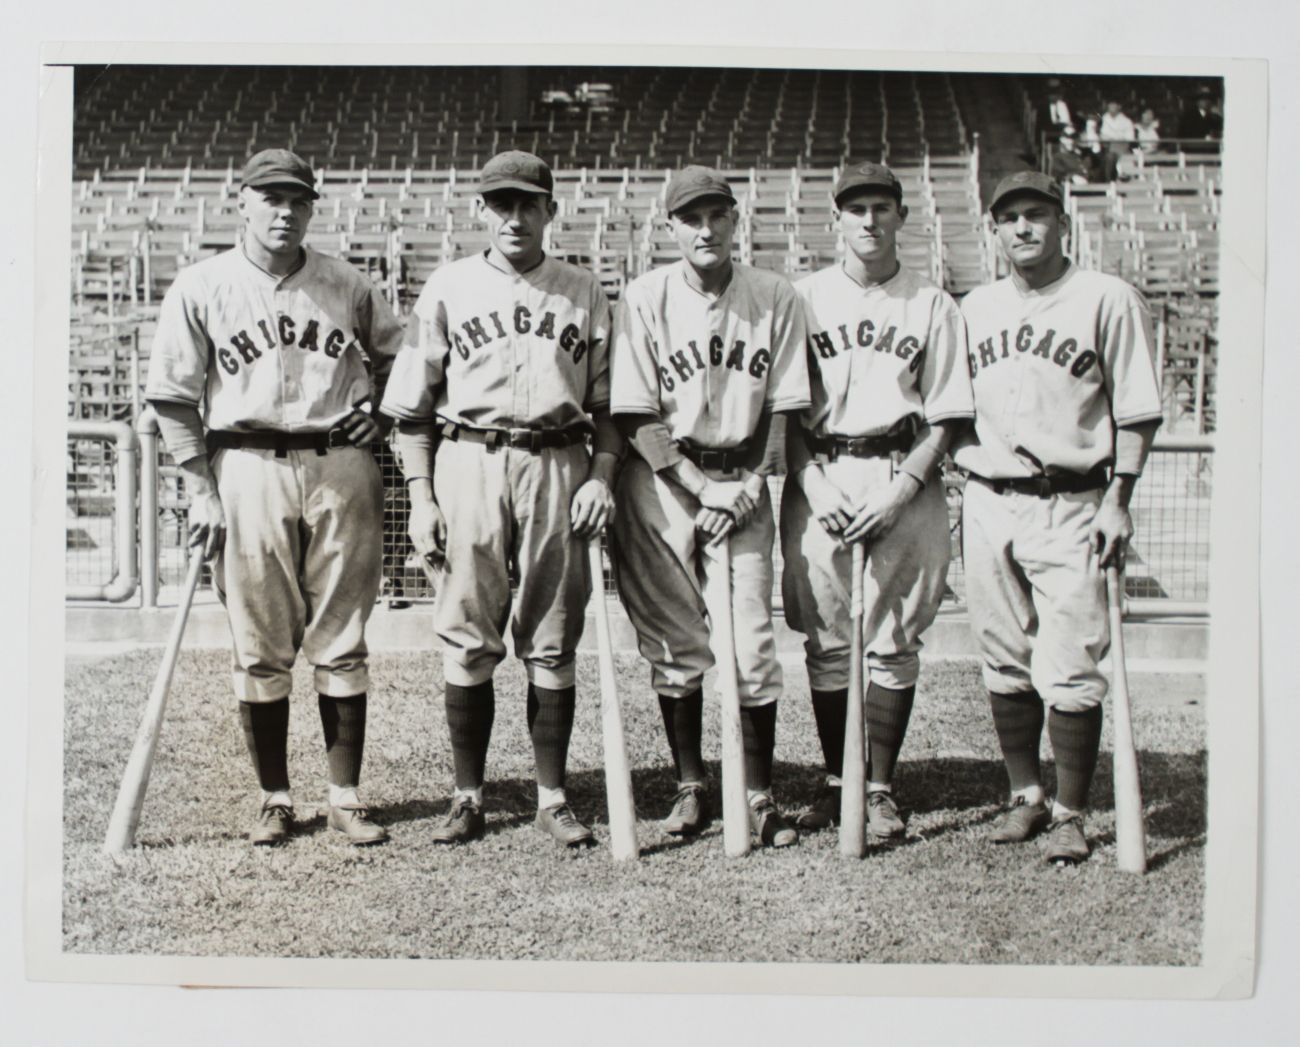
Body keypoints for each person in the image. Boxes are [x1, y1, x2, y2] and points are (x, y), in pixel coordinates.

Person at [145, 148, 404, 847]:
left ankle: (345, 796)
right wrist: (200, 488)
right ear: (243, 202)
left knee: (343, 636)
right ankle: (275, 796)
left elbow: (402, 360)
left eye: (298, 200)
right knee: (259, 643)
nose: (285, 212)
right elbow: (172, 397)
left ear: (312, 208)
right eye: (271, 198)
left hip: (340, 463)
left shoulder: (347, 282)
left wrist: (380, 414)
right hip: (246, 464)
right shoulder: (202, 285)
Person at [380, 150, 620, 849]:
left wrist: (602, 475)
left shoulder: (583, 289)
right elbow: (412, 411)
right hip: (468, 459)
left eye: (528, 204)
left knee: (554, 633)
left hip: (558, 462)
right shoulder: (448, 286)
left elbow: (610, 406)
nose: (514, 218)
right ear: (481, 211)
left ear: (551, 210)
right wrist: (422, 497)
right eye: (501, 205)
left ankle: (552, 797)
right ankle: (468, 796)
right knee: (466, 632)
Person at [952, 171, 1162, 865]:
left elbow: (1138, 410)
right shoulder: (976, 306)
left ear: (1062, 223)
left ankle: (1071, 810)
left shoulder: (1107, 298)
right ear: (993, 229)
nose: (1022, 227)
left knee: (1071, 661)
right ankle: (1026, 795)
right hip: (988, 496)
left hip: (1072, 499)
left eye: (1036, 214)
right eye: (1008, 216)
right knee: (1003, 655)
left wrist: (1119, 498)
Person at [608, 165, 811, 848]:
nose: (705, 230)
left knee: (750, 646)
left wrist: (750, 484)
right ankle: (692, 784)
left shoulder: (774, 294)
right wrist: (700, 486)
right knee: (675, 644)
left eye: (716, 215)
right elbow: (635, 413)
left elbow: (783, 406)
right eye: (690, 219)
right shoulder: (645, 296)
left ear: (734, 220)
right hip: (664, 483)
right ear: (671, 228)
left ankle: (758, 793)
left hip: (742, 480)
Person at [779, 162, 974, 839]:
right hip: (822, 473)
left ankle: (881, 785)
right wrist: (810, 481)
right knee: (827, 639)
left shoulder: (932, 303)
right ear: (834, 219)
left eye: (881, 207)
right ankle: (841, 781)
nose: (869, 219)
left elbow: (947, 414)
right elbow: (785, 410)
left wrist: (903, 488)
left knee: (893, 640)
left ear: (901, 217)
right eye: (855, 208)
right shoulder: (801, 299)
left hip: (902, 474)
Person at [1099, 100, 1136, 176]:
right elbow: (1103, 136)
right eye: (1110, 106)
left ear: (1119, 107)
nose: (1112, 108)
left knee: (1126, 160)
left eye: (1114, 105)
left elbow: (1130, 138)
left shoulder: (1127, 121)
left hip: (1122, 147)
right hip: (1106, 148)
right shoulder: (1103, 118)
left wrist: (1114, 138)